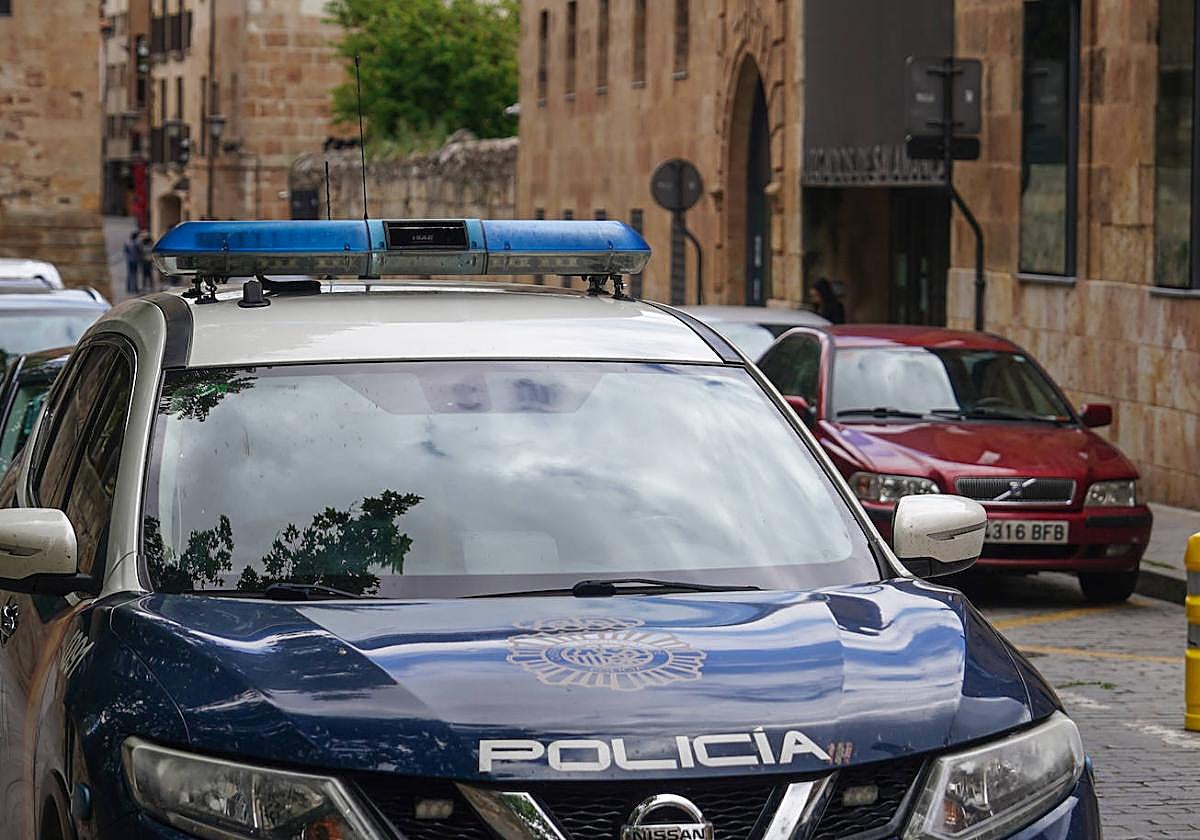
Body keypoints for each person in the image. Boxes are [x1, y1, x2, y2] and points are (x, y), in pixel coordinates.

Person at [123, 231, 142, 295]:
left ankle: (128, 288)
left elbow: (125, 251)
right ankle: (135, 288)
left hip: (129, 260)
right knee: (135, 275)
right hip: (135, 260)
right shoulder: (137, 243)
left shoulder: (127, 242)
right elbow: (139, 251)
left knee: (129, 274)